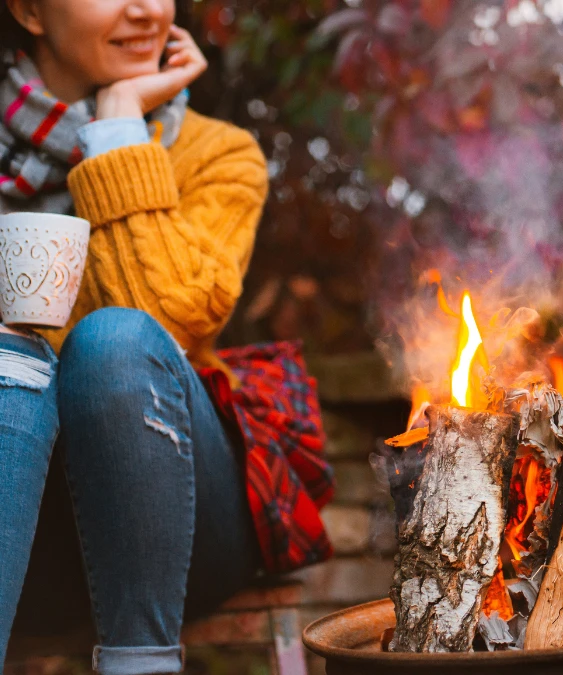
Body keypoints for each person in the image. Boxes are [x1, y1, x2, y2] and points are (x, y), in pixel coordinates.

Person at [0, 1, 334, 672]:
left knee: (115, 344)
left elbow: (167, 320)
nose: (145, 7)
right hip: (22, 530)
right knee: (13, 375)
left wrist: (119, 126)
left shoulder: (221, 156)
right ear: (29, 10)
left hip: (171, 518)